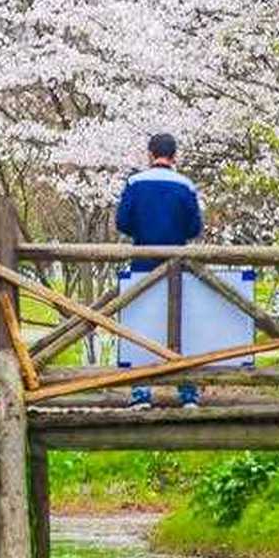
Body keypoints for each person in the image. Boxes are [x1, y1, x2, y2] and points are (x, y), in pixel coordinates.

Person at [115, 132, 203, 407]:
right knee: (182, 327)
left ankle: (141, 393)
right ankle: (187, 393)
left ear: (150, 154)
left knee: (141, 327)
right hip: (178, 265)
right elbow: (194, 228)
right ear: (174, 156)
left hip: (142, 262)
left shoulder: (135, 183)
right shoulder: (185, 185)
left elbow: (122, 222)